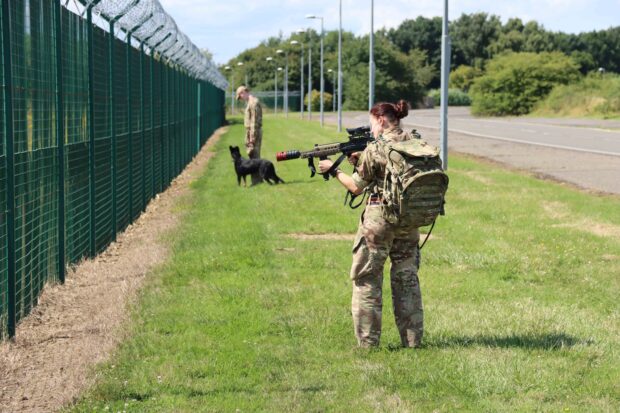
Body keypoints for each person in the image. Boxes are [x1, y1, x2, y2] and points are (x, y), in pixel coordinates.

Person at [318, 100, 424, 348]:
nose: (370, 128)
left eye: (371, 122)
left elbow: (355, 187)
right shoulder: (415, 140)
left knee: (367, 279)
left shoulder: (376, 148)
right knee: (406, 279)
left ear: (381, 120)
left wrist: (333, 170)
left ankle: (368, 343)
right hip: (409, 219)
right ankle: (412, 341)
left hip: (380, 220)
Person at [236, 85, 263, 159]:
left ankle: (257, 171)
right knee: (252, 156)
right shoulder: (250, 102)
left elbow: (254, 122)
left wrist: (252, 138)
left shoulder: (253, 103)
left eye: (240, 96)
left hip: (253, 132)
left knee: (254, 157)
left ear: (243, 92)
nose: (241, 99)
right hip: (251, 132)